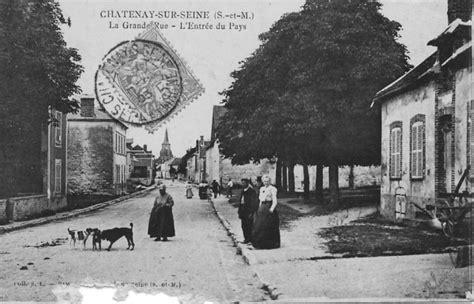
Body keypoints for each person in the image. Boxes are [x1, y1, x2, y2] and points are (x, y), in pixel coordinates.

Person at [252, 175, 280, 249]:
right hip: (262, 208)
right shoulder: (262, 189)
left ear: (270, 181)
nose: (266, 183)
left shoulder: (272, 189)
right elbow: (261, 200)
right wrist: (259, 208)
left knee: (268, 225)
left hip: (269, 206)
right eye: (264, 181)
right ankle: (260, 243)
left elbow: (275, 201)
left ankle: (270, 244)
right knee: (259, 225)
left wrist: (271, 209)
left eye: (267, 181)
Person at [238, 178, 259, 244]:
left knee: (249, 225)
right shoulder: (243, 190)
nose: (243, 184)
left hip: (248, 210)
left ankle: (251, 239)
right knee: (243, 225)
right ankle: (246, 239)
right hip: (243, 210)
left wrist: (251, 212)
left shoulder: (251, 191)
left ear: (247, 183)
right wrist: (239, 211)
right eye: (242, 183)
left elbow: (253, 202)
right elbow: (241, 201)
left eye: (244, 183)